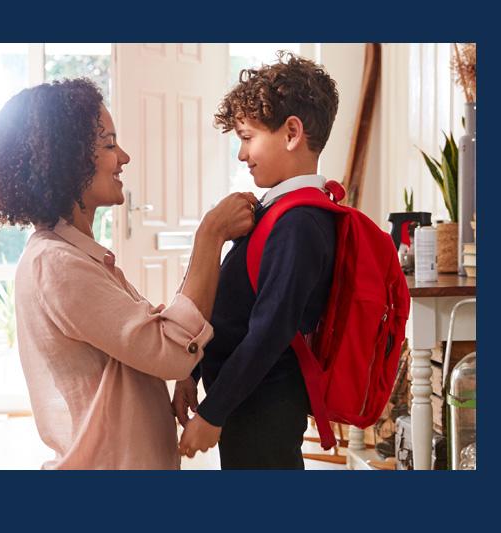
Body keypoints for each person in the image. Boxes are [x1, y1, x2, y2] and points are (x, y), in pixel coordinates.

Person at [0, 78, 257, 469]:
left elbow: (153, 337)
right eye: (109, 145)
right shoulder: (58, 266)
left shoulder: (76, 256)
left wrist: (184, 373)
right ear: (67, 160)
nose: (123, 157)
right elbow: (171, 351)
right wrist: (210, 235)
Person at [175, 51, 340, 469]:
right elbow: (232, 302)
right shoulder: (278, 213)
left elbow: (271, 330)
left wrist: (215, 411)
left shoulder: (301, 222)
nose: (241, 155)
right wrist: (189, 372)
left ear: (291, 133)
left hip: (265, 402)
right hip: (248, 398)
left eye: (247, 138)